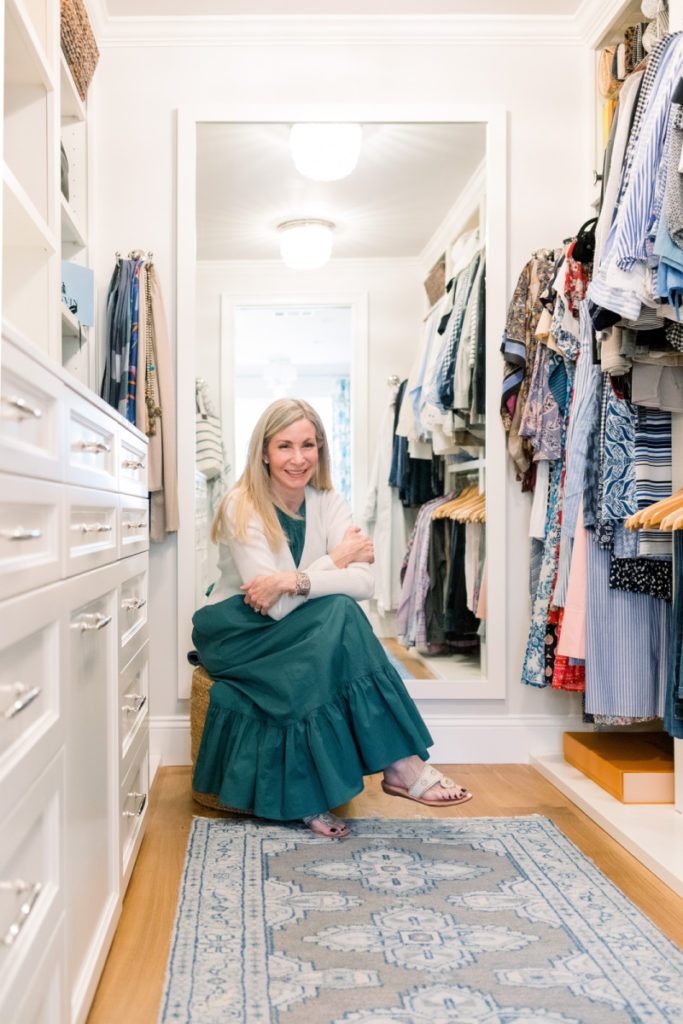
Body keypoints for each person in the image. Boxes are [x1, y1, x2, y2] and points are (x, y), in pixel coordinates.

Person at [191, 397, 472, 838]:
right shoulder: (240, 505)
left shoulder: (327, 501)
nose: (298, 458)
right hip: (240, 631)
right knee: (337, 611)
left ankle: (323, 792)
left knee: (339, 613)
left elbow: (365, 585)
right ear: (264, 452)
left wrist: (294, 580)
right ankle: (403, 767)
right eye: (284, 446)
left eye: (308, 445)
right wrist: (337, 558)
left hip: (294, 626)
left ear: (320, 448)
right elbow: (274, 605)